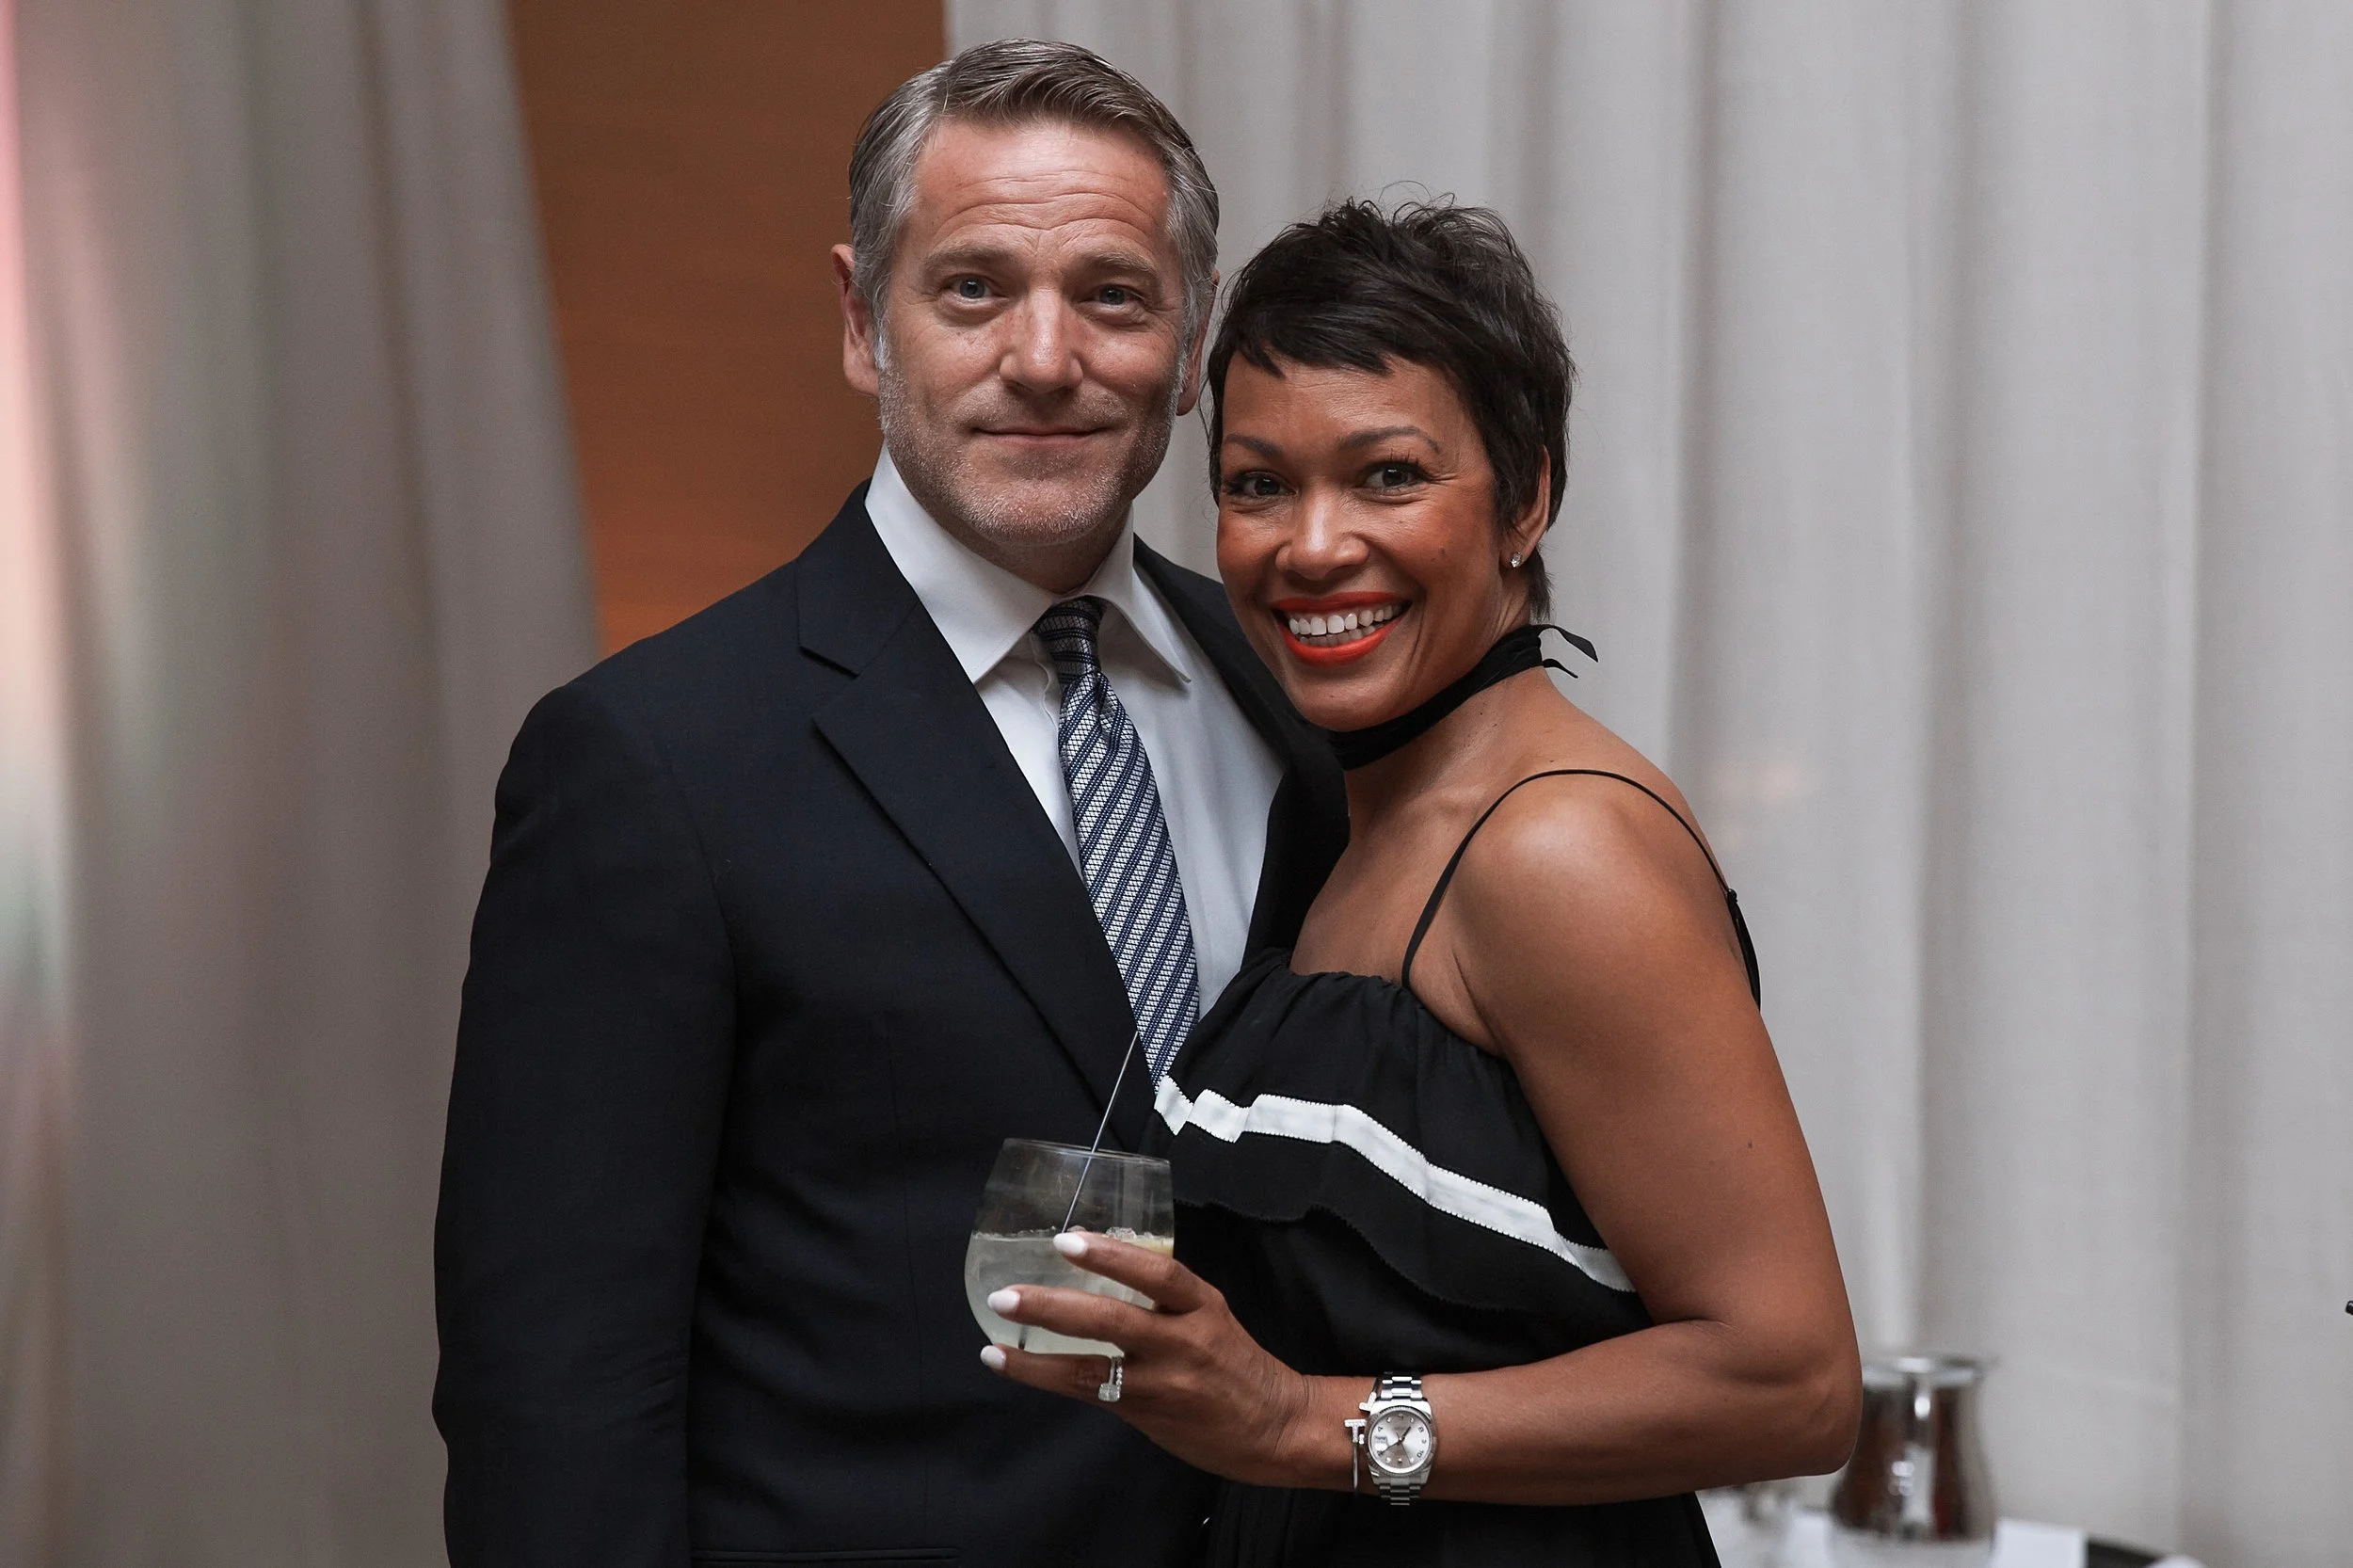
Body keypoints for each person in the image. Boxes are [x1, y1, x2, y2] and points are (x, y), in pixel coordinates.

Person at [431, 40, 1346, 1568]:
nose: (1044, 357)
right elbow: (556, 1392)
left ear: (1192, 346)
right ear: (864, 322)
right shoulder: (653, 761)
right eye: (973, 289)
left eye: (1113, 296)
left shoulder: (1296, 701)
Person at [981, 200, 1862, 1563]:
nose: (1312, 545)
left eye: (1389, 475)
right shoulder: (1351, 813)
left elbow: (1792, 1384)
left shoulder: (1554, 848)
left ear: (1527, 499)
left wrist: (1302, 1422)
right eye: (1259, 485)